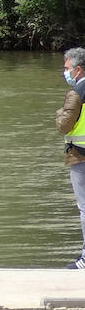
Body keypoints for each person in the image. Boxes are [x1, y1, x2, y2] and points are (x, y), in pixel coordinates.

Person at [55, 47, 85, 268]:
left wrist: (58, 112)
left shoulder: (77, 93)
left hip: (81, 156)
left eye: (67, 68)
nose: (64, 72)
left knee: (84, 207)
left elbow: (63, 125)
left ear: (78, 69)